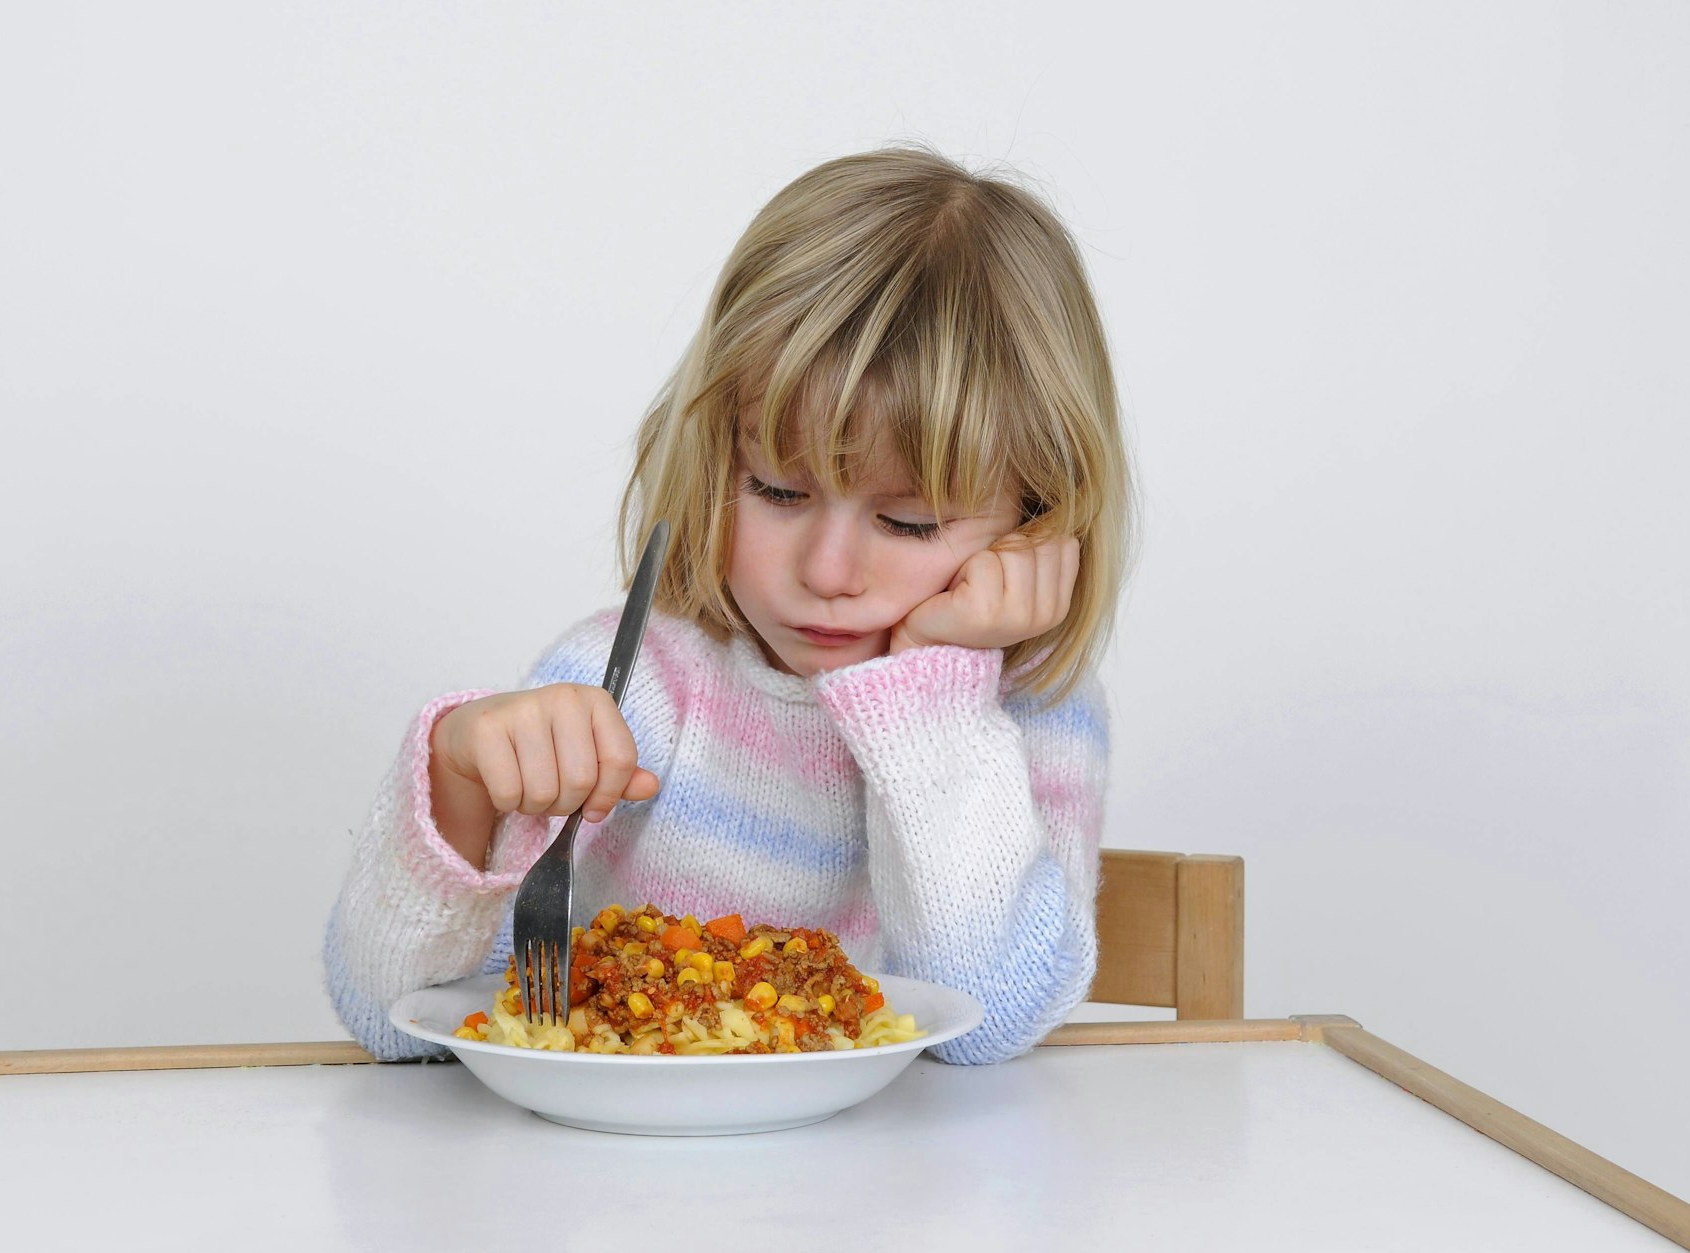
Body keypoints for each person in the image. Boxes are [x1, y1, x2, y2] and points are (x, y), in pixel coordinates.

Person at [324, 143, 1135, 1065]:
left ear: (1039, 517)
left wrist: (936, 691)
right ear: (716, 461)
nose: (828, 570)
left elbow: (986, 1021)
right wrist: (461, 781)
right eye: (779, 494)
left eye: (910, 521)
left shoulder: (1033, 709)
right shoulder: (630, 683)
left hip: (894, 1195)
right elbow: (397, 1019)